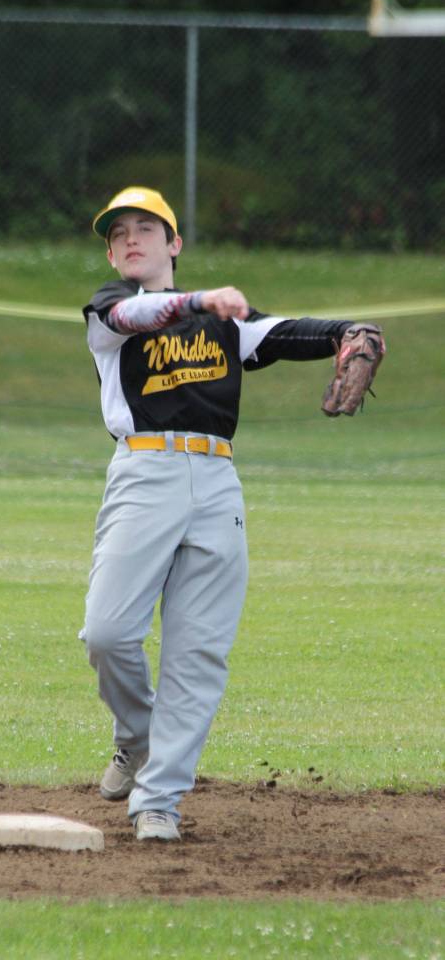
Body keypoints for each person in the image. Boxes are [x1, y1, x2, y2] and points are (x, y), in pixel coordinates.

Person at [81, 186, 361, 842]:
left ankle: (159, 802)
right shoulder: (108, 308)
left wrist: (349, 335)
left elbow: (289, 334)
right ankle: (138, 737)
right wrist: (203, 299)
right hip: (143, 473)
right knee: (107, 633)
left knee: (198, 652)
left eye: (145, 227)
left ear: (173, 242)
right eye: (117, 231)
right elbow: (134, 319)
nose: (129, 238)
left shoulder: (226, 326)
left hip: (215, 482)